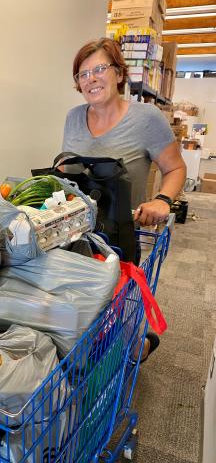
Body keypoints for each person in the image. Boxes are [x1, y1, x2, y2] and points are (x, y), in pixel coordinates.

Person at [62, 38, 186, 361]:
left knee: (119, 322)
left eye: (99, 69)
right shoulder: (73, 118)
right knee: (78, 321)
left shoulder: (147, 119)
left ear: (118, 73)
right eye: (83, 74)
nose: (91, 78)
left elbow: (176, 168)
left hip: (120, 238)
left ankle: (139, 346)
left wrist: (162, 199)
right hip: (76, 237)